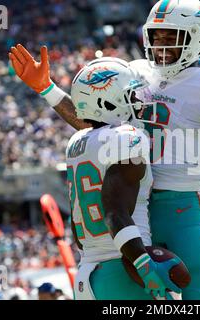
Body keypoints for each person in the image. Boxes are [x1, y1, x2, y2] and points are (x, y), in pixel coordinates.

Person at [9, 0, 200, 300]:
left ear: (197, 37)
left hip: (182, 205)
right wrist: (48, 89)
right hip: (134, 204)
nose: (160, 44)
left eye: (170, 36)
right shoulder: (134, 72)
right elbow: (96, 123)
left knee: (199, 297)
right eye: (156, 35)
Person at [66, 57, 182, 300]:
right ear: (106, 102)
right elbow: (114, 213)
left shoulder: (76, 143)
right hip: (125, 270)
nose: (137, 100)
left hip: (87, 276)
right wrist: (145, 266)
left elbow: (77, 235)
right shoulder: (127, 137)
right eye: (131, 94)